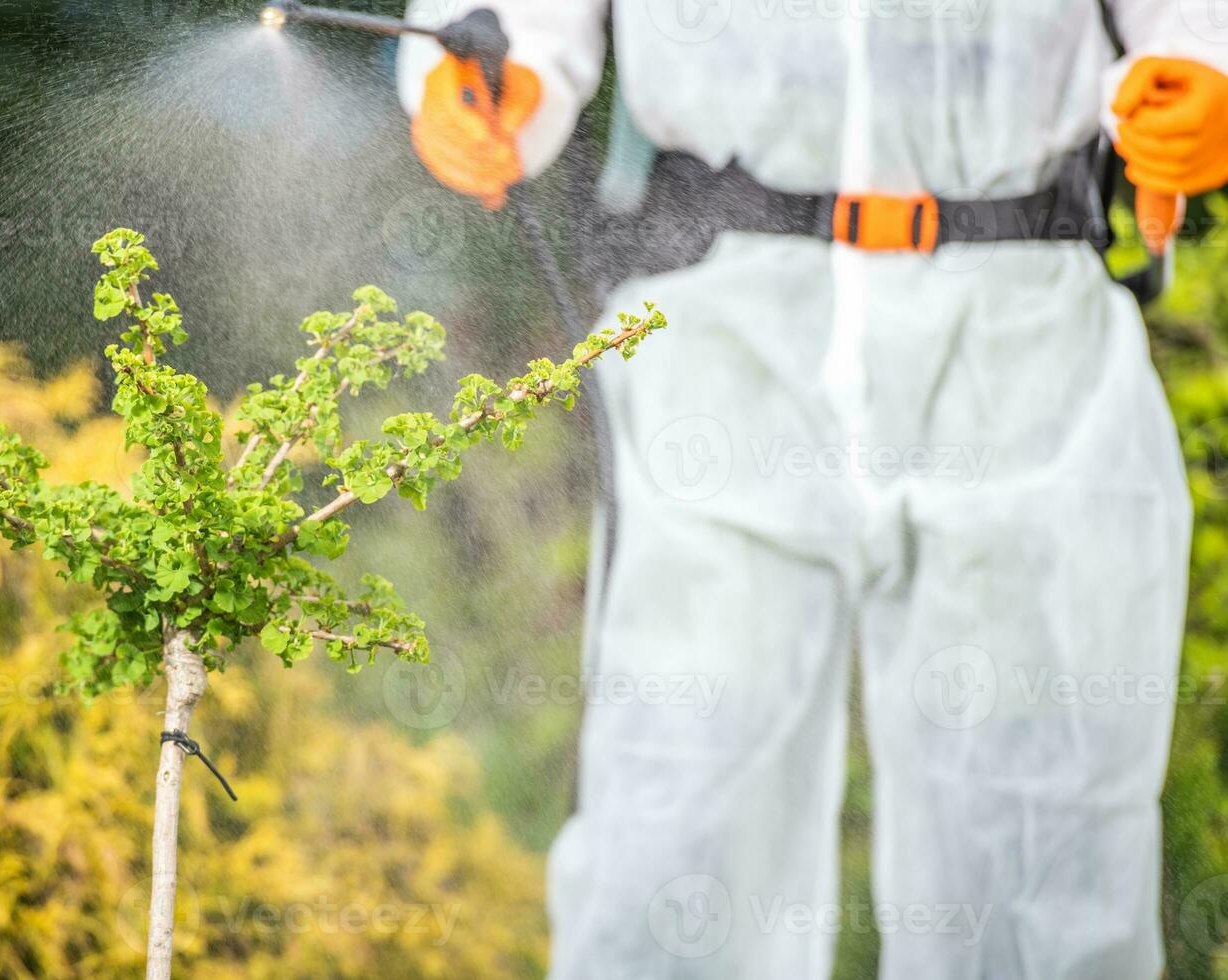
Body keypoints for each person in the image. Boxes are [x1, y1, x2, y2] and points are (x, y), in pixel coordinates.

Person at [397, 2, 1228, 977]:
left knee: (1041, 863)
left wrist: (1208, 64)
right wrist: (496, 85)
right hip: (720, 340)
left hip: (1026, 346)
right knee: (674, 841)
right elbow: (508, 27)